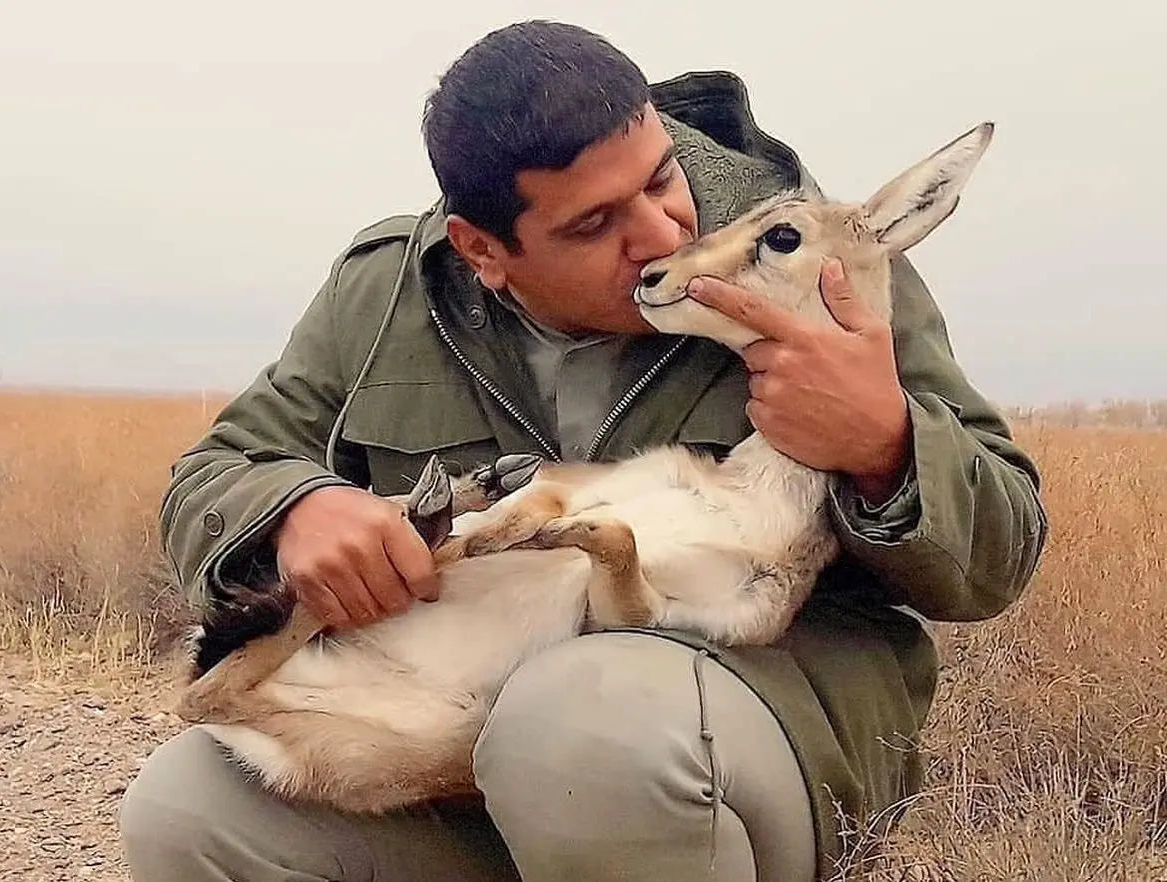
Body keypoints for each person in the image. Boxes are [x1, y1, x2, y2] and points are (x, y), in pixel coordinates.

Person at [119, 19, 1048, 882]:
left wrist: (886, 443)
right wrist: (295, 514)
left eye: (659, 179)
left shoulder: (814, 257)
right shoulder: (385, 293)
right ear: (482, 249)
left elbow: (1000, 558)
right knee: (189, 810)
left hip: (734, 730)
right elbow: (219, 471)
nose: (660, 239)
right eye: (593, 226)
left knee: (576, 727)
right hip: (459, 739)